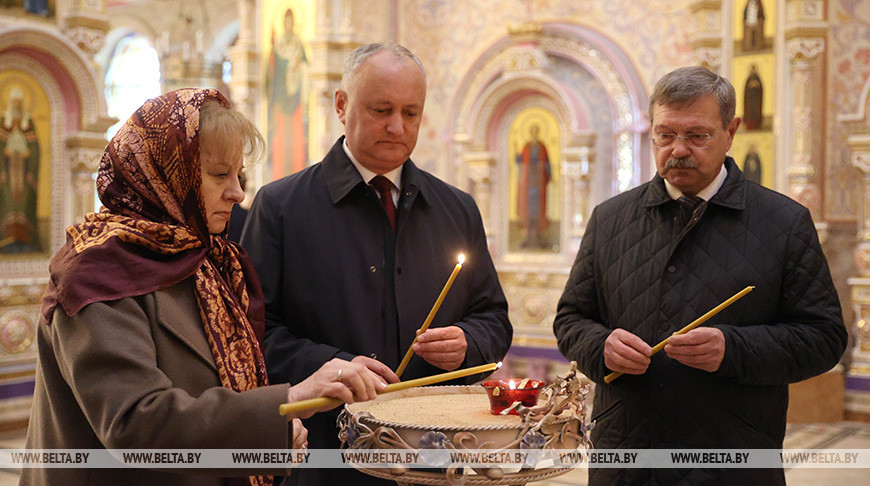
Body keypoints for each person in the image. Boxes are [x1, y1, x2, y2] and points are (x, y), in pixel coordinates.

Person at [23, 88, 386, 486]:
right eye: (218, 175)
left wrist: (273, 431)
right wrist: (286, 403)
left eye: (238, 175)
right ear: (164, 173)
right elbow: (136, 424)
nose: (238, 192)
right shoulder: (96, 272)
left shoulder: (204, 259)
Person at [553, 66, 846, 485]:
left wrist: (734, 348)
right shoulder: (610, 219)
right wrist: (602, 347)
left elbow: (824, 337)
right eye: (665, 135)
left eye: (697, 135)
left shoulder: (784, 222)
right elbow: (570, 320)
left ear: (731, 132)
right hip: (628, 458)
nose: (678, 150)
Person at [241, 42, 512, 485]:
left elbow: (495, 320)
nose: (396, 126)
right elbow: (251, 337)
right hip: (326, 457)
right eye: (381, 109)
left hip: (436, 460)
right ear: (342, 105)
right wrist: (334, 364)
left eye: (411, 113)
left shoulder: (457, 208)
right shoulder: (281, 207)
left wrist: (469, 341)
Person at [265, 7, 308, 179]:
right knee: (280, 138)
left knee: (297, 138)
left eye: (291, 22)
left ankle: (299, 173)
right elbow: (271, 74)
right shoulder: (278, 46)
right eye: (286, 22)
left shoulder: (299, 46)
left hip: (296, 99)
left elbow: (306, 68)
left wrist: (297, 68)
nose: (288, 25)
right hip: (280, 101)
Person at [0, 86, 41, 253]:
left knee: (24, 203)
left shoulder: (28, 122)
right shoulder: (3, 122)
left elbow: (36, 149)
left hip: (24, 173)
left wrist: (31, 170)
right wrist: (2, 171)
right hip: (8, 173)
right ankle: (6, 241)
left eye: (20, 103)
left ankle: (25, 241)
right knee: (8, 202)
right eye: (14, 103)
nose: (16, 106)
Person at [514, 124, 551, 250]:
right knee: (528, 209)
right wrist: (516, 154)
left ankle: (538, 238)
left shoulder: (542, 146)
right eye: (533, 131)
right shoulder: (527, 146)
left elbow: (547, 163)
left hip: (539, 181)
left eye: (536, 131)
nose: (534, 133)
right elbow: (521, 162)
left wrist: (550, 175)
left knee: (538, 209)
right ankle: (528, 238)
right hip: (528, 181)